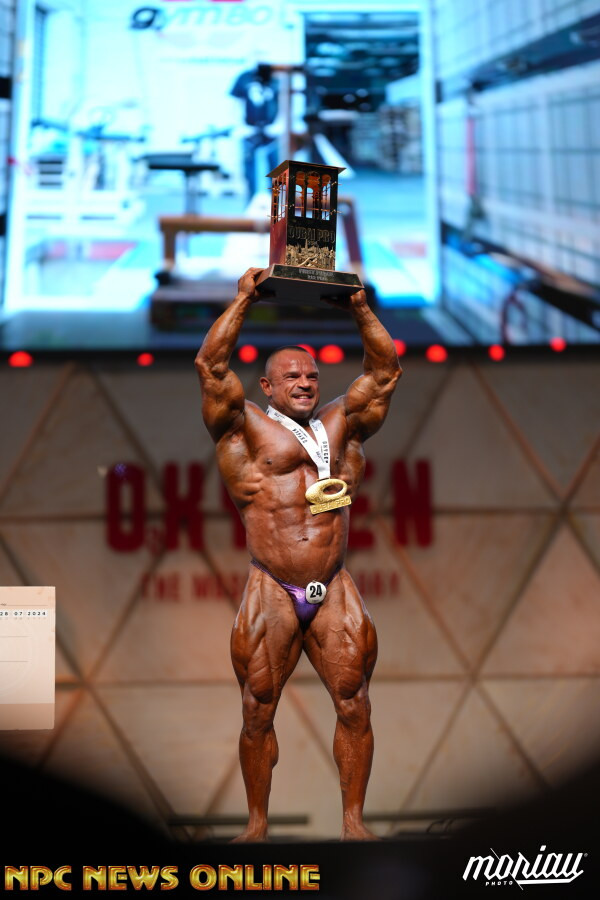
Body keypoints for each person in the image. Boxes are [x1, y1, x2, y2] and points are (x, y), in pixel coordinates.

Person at [195, 268, 402, 842]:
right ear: (267, 386)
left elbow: (385, 373)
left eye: (311, 374)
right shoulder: (243, 428)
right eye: (292, 376)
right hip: (273, 584)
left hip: (332, 584)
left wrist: (359, 309)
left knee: (355, 703)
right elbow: (211, 367)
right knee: (257, 708)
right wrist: (243, 300)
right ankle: (256, 826)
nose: (305, 383)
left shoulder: (342, 423)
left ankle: (354, 824)